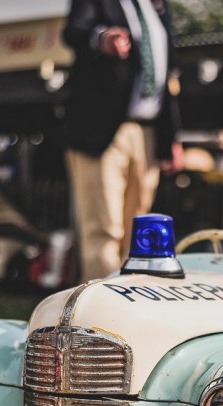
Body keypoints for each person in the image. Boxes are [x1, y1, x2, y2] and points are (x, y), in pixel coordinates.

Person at [61, 0, 183, 282]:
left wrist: (171, 138)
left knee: (138, 233)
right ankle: (100, 316)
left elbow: (169, 78)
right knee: (103, 229)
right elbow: (74, 31)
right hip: (103, 131)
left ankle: (129, 307)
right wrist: (101, 36)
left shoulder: (157, 8)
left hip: (147, 132)